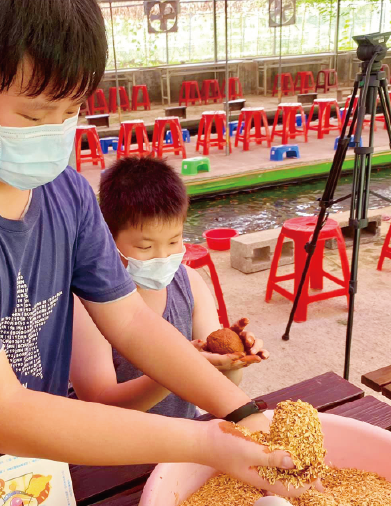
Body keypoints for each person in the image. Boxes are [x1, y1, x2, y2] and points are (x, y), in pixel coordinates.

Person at [0, 0, 320, 506]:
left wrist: (241, 412)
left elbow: (130, 320)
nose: (55, 132)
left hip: (35, 489)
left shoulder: (63, 190)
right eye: (34, 114)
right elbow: (2, 414)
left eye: (71, 111)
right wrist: (206, 443)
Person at [70, 156, 268, 418]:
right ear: (107, 237)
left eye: (174, 242)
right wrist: (181, 367)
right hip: (119, 451)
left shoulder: (189, 285)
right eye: (145, 247)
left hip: (184, 439)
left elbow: (223, 386)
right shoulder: (86, 303)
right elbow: (99, 404)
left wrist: (234, 358)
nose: (162, 256)